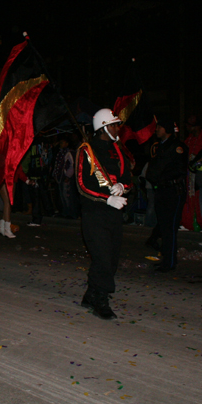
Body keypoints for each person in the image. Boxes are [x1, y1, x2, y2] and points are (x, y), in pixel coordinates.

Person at [76, 108, 131, 320]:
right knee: (102, 258)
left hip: (114, 214)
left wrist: (122, 187)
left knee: (112, 259)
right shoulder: (86, 150)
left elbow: (128, 178)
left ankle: (90, 294)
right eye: (114, 125)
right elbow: (81, 184)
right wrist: (106, 198)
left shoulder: (118, 150)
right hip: (94, 213)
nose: (118, 128)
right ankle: (100, 298)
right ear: (104, 128)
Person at [145, 116, 188, 272]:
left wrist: (161, 177)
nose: (157, 130)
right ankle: (166, 258)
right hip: (161, 190)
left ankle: (169, 262)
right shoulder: (159, 146)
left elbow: (179, 169)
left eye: (159, 127)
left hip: (173, 191)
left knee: (170, 228)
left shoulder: (177, 147)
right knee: (163, 226)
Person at [181, 115, 202, 232]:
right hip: (189, 174)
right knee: (189, 197)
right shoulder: (189, 140)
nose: (188, 128)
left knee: (200, 199)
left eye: (190, 126)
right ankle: (188, 222)